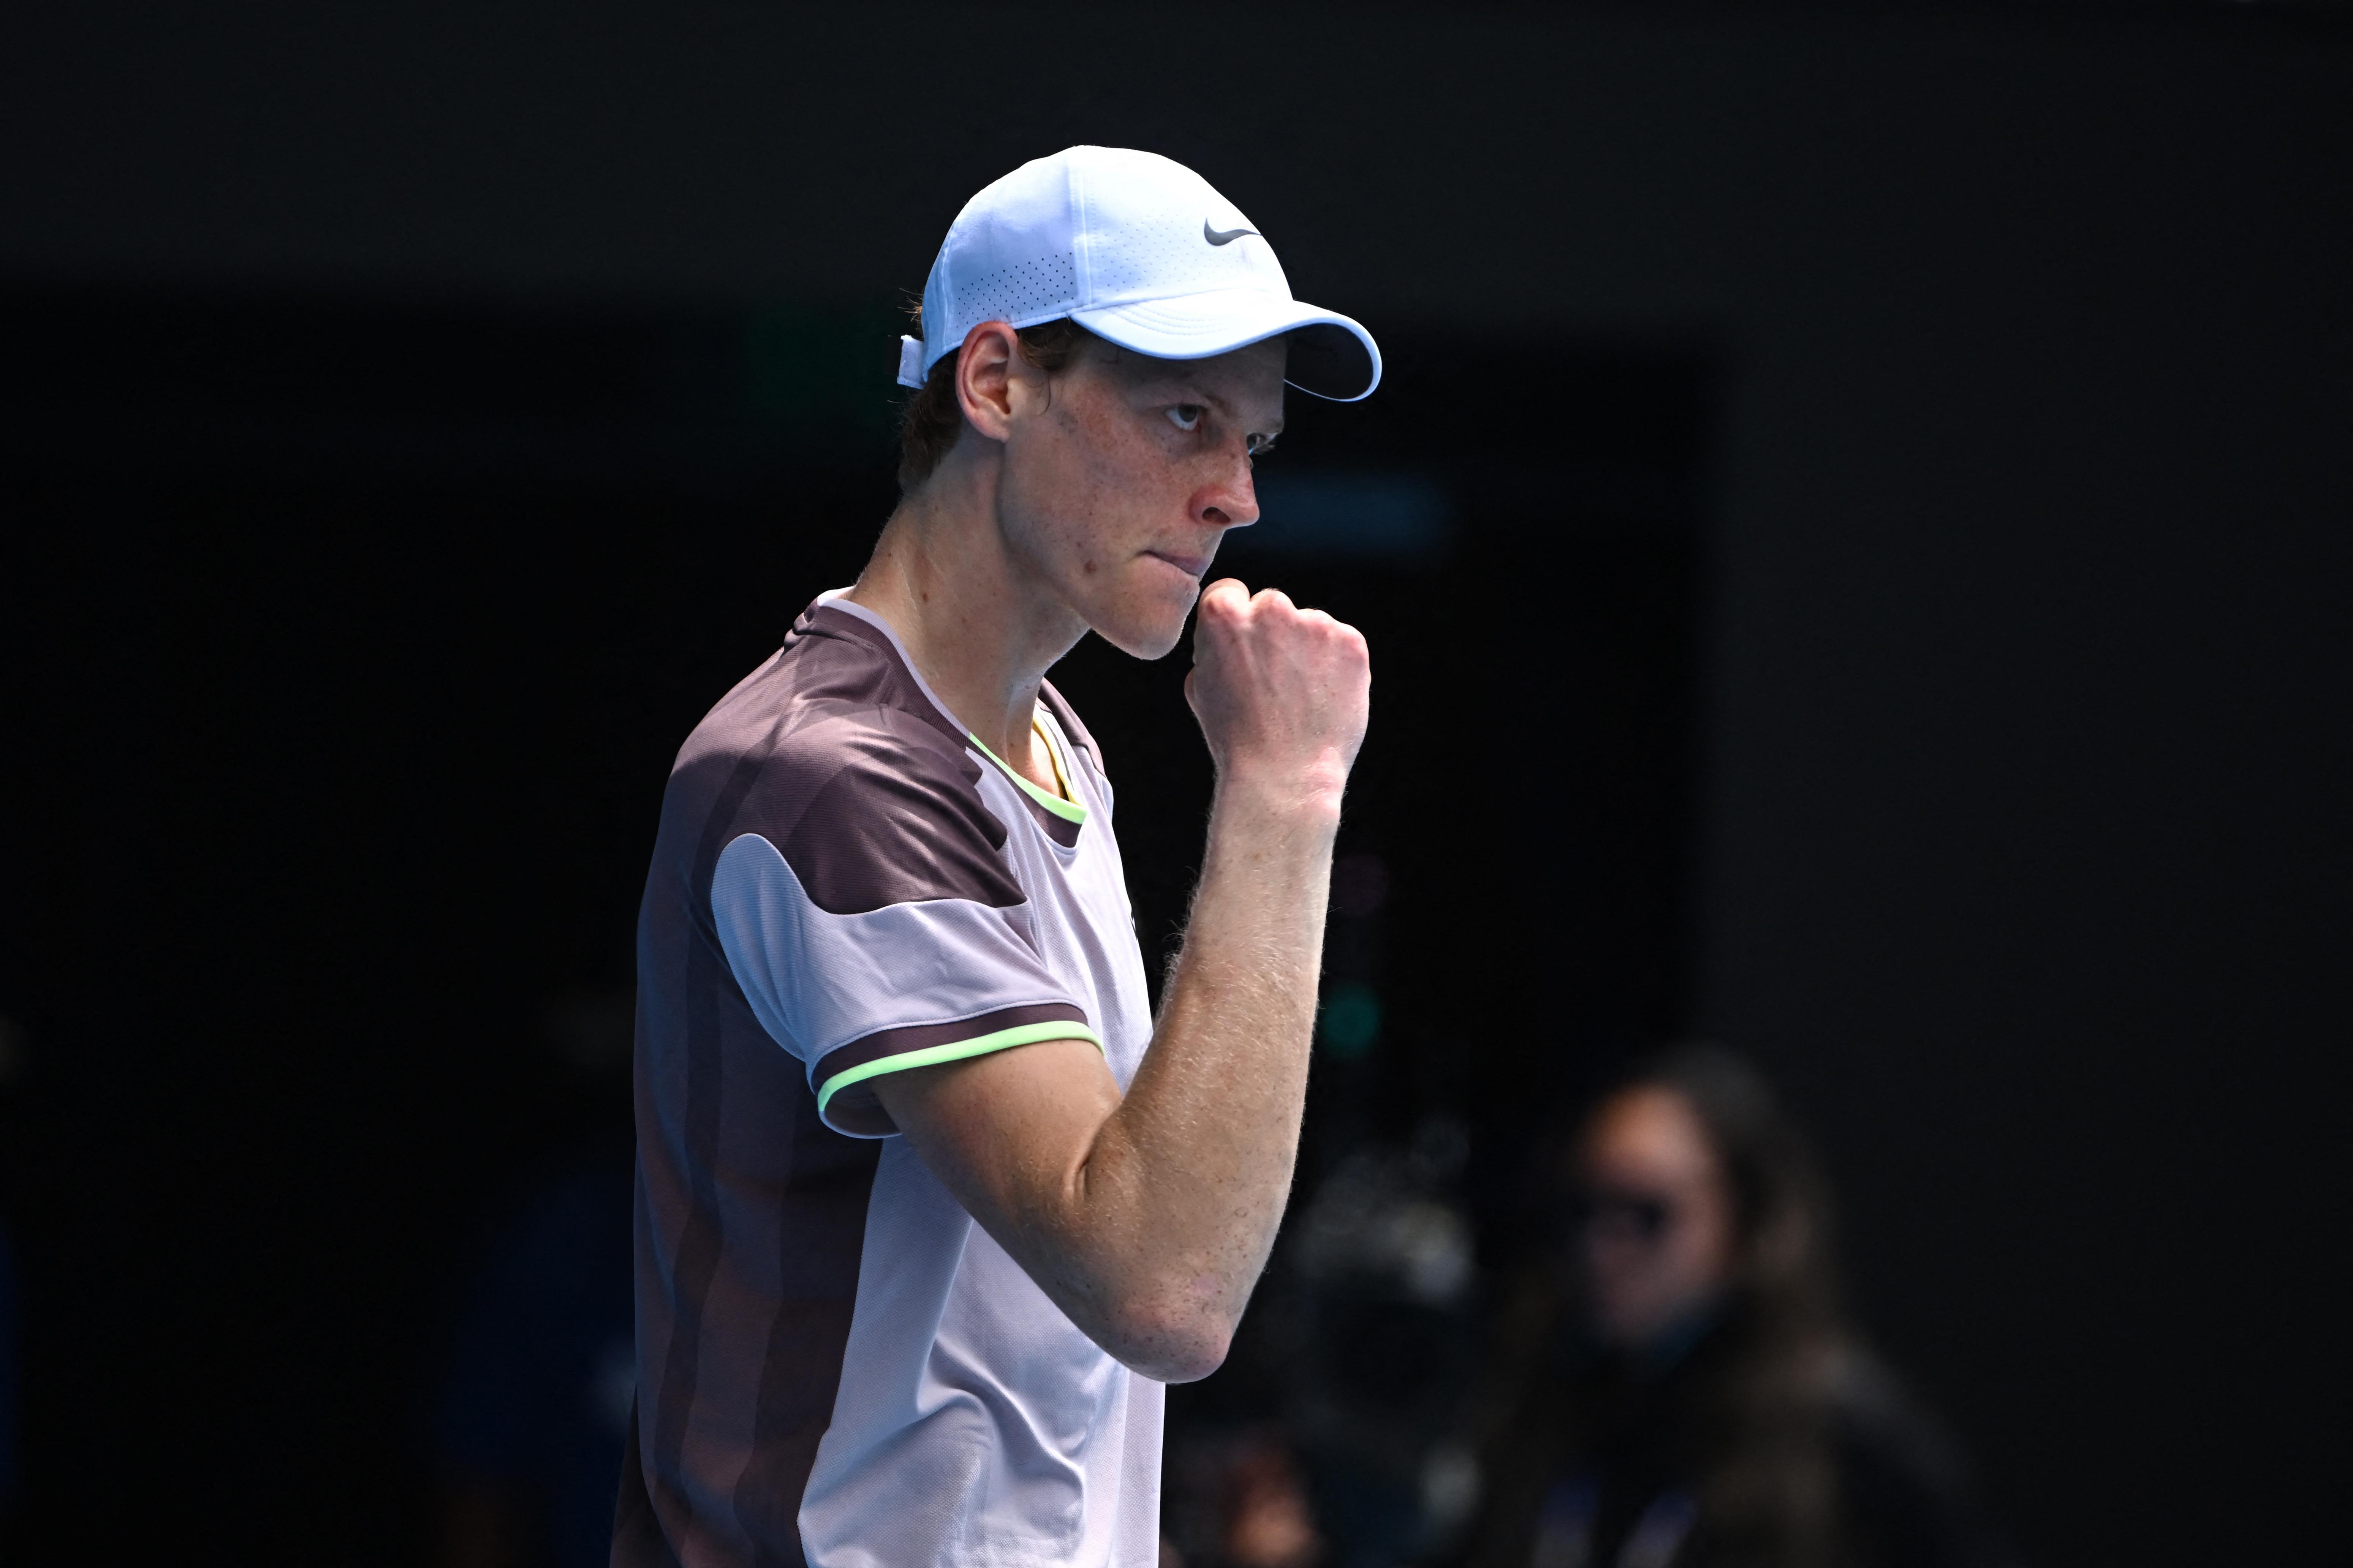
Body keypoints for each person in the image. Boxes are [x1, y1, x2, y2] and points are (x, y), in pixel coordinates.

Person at [614, 147, 1380, 1568]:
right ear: (994, 384)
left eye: (1254, 442)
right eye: (1185, 416)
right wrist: (1284, 794)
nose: (1236, 496)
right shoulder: (825, 776)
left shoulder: (1051, 747)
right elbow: (1166, 1282)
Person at [1457, 1048, 2007, 1568]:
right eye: (1585, 1209)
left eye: (1647, 1213)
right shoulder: (1546, 1401)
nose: (1602, 1248)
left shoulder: (1838, 1430)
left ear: (1748, 1219)